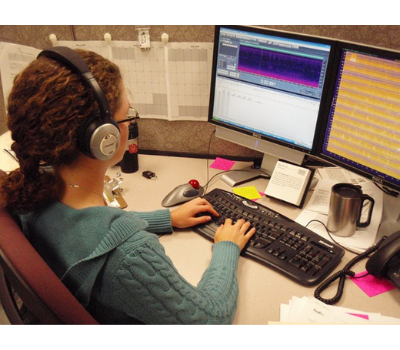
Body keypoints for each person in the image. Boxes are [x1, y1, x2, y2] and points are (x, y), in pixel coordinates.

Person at [0, 48, 256, 324]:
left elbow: (89, 231)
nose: (131, 121)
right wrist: (227, 248)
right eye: (127, 115)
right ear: (103, 137)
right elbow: (209, 322)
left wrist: (166, 218)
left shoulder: (34, 186)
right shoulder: (130, 258)